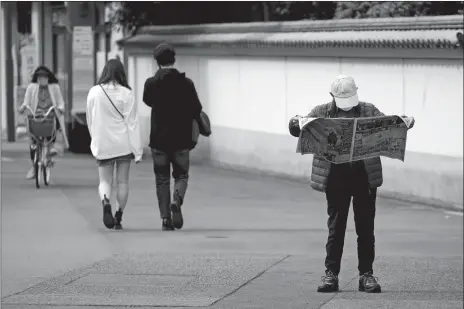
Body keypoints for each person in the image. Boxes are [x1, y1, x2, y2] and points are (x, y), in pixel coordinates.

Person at [288, 75, 414, 294]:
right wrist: (297, 122)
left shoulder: (368, 110)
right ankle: (331, 275)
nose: (347, 108)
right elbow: (296, 128)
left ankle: (366, 275)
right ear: (332, 97)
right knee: (336, 227)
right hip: (335, 177)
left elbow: (387, 125)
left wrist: (404, 122)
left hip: (364, 177)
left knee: (365, 228)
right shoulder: (321, 112)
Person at [143, 43, 203, 231]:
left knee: (161, 179)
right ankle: (176, 199)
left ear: (157, 62)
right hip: (182, 139)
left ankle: (165, 220)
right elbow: (196, 109)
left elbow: (147, 101)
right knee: (182, 175)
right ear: (174, 60)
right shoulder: (187, 83)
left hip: (159, 140)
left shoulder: (151, 83)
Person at [86, 59, 143, 230]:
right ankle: (118, 216)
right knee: (123, 182)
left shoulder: (94, 92)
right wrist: (137, 151)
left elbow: (90, 118)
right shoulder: (127, 93)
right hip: (123, 144)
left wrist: (95, 139)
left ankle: (105, 202)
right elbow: (132, 123)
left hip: (103, 143)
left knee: (105, 180)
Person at [19, 66, 69, 179]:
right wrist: (22, 108)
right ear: (36, 78)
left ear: (48, 78)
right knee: (33, 143)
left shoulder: (54, 87)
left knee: (54, 123)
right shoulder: (32, 87)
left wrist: (60, 108)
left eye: (44, 77)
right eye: (39, 77)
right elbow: (26, 101)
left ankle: (51, 148)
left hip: (50, 114)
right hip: (35, 115)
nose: (42, 80)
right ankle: (34, 166)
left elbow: (60, 101)